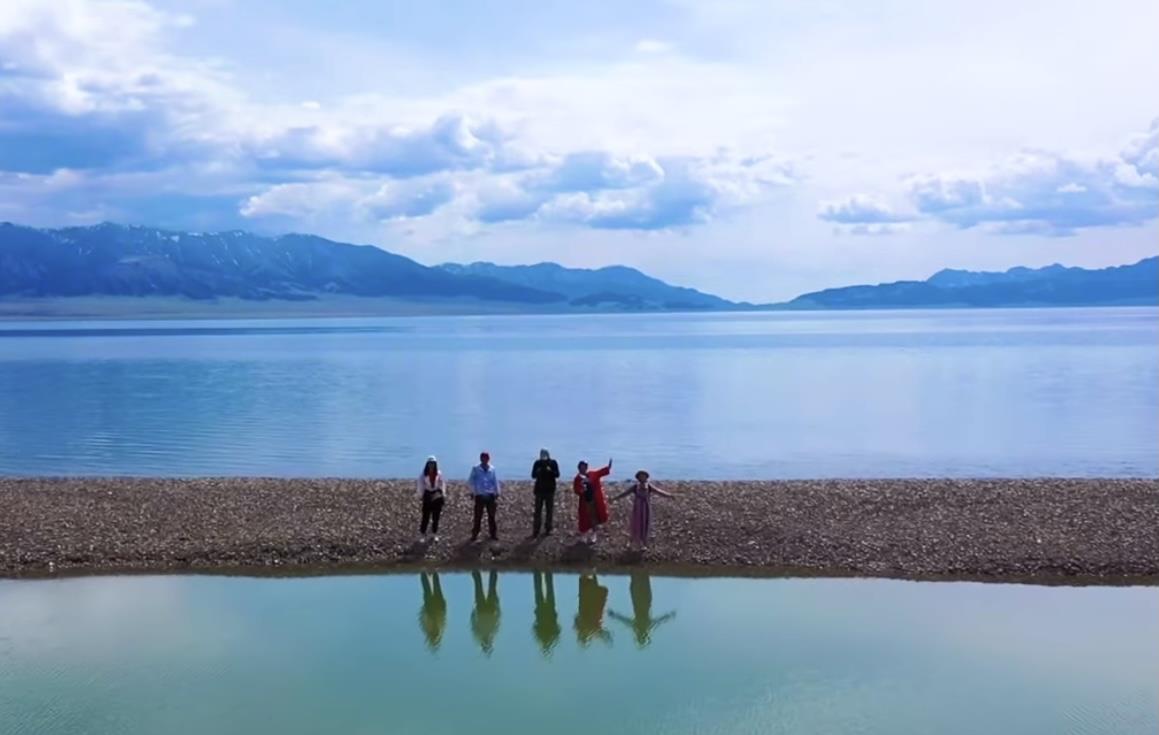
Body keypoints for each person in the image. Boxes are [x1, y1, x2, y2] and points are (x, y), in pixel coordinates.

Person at [608, 572, 676, 649]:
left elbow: (625, 621)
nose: (641, 634)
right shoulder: (644, 626)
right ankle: (641, 568)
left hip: (639, 600)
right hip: (643, 600)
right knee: (641, 580)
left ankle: (639, 568)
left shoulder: (640, 626)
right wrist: (669, 616)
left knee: (638, 580)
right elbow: (659, 620)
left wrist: (614, 615)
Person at [611, 469, 674, 549]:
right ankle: (632, 540)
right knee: (636, 524)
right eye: (641, 476)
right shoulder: (635, 486)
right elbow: (625, 493)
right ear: (638, 478)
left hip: (646, 507)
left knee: (645, 524)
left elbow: (659, 492)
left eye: (644, 476)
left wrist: (669, 495)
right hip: (637, 508)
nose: (642, 478)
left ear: (646, 477)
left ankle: (643, 542)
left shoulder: (649, 486)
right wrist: (614, 498)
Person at [573, 458, 612, 544]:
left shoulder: (592, 474)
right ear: (578, 468)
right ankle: (584, 534)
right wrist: (581, 490)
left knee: (594, 517)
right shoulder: (577, 478)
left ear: (586, 467)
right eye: (581, 467)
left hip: (593, 500)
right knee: (583, 517)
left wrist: (608, 467)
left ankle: (594, 534)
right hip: (584, 502)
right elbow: (576, 489)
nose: (583, 468)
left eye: (584, 466)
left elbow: (601, 472)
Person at [467, 451, 501, 542]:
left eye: (486, 458)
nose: (485, 460)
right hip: (480, 495)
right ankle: (475, 534)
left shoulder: (492, 469)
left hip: (490, 495)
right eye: (483, 458)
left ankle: (493, 534)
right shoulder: (476, 469)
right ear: (481, 459)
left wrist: (497, 491)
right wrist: (472, 492)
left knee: (492, 516)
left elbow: (495, 480)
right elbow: (471, 481)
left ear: (488, 459)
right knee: (478, 516)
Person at [574, 573, 612, 647]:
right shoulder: (586, 629)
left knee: (591, 591)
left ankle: (592, 574)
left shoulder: (584, 629)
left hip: (587, 607)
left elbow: (576, 618)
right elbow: (576, 618)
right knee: (591, 591)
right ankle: (593, 574)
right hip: (588, 607)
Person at [470, 569, 501, 656]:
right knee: (487, 588)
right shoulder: (490, 633)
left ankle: (490, 571)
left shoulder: (482, 634)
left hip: (483, 610)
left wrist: (473, 613)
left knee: (481, 587)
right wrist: (498, 609)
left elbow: (474, 624)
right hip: (488, 610)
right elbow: (497, 621)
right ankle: (492, 571)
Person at [530, 448, 560, 537]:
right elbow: (533, 475)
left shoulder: (553, 463)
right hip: (539, 490)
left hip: (549, 490)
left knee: (549, 510)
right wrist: (538, 471)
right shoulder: (537, 463)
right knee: (537, 511)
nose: (543, 457)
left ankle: (548, 529)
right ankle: (536, 530)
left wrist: (550, 471)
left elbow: (557, 474)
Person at [532, 570, 561, 657]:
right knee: (545, 589)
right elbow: (535, 627)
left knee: (543, 589)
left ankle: (540, 572)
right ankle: (546, 572)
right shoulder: (547, 638)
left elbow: (535, 627)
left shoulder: (543, 637)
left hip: (544, 612)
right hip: (547, 612)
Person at [416, 456, 446, 542]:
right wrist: (421, 495)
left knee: (436, 516)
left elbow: (442, 484)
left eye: (433, 464)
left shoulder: (439, 473)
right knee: (426, 516)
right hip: (427, 494)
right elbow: (420, 485)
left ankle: (434, 533)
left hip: (436, 494)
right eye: (430, 464)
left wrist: (443, 494)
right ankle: (422, 534)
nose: (431, 465)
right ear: (427, 464)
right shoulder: (423, 474)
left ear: (435, 464)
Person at [418, 571, 448, 652]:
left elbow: (422, 618)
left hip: (433, 607)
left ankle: (425, 572)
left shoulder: (430, 629)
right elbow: (443, 616)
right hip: (436, 606)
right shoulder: (439, 628)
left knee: (430, 587)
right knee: (432, 586)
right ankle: (428, 572)